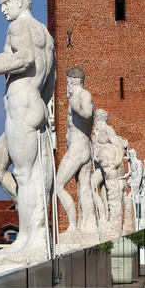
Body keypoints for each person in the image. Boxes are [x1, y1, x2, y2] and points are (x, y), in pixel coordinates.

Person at [0, 0, 55, 257]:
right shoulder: (45, 33)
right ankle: (33, 228)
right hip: (33, 105)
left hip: (22, 109)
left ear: (21, 1)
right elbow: (50, 80)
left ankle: (28, 240)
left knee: (25, 177)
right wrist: (40, 107)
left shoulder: (19, 27)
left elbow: (24, 59)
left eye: (6, 3)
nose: (3, 10)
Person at [56, 67, 95, 236]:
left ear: (72, 80)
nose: (67, 85)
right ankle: (87, 225)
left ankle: (72, 227)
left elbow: (88, 114)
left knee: (57, 186)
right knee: (83, 188)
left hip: (79, 148)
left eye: (68, 81)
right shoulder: (76, 96)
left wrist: (76, 108)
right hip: (81, 148)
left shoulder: (83, 95)